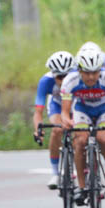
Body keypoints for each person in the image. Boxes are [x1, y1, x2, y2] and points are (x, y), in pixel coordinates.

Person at [61, 46, 105, 204]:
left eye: (95, 72)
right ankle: (81, 187)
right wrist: (66, 120)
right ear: (79, 71)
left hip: (104, 109)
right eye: (87, 72)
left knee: (104, 138)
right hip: (83, 110)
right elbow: (65, 112)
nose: (91, 76)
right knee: (80, 142)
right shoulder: (70, 80)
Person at [33, 51, 76, 189]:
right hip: (57, 104)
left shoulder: (80, 77)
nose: (63, 80)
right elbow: (38, 111)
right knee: (57, 130)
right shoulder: (45, 81)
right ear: (53, 74)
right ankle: (55, 173)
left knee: (80, 133)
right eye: (59, 77)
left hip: (76, 104)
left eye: (66, 76)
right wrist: (37, 130)